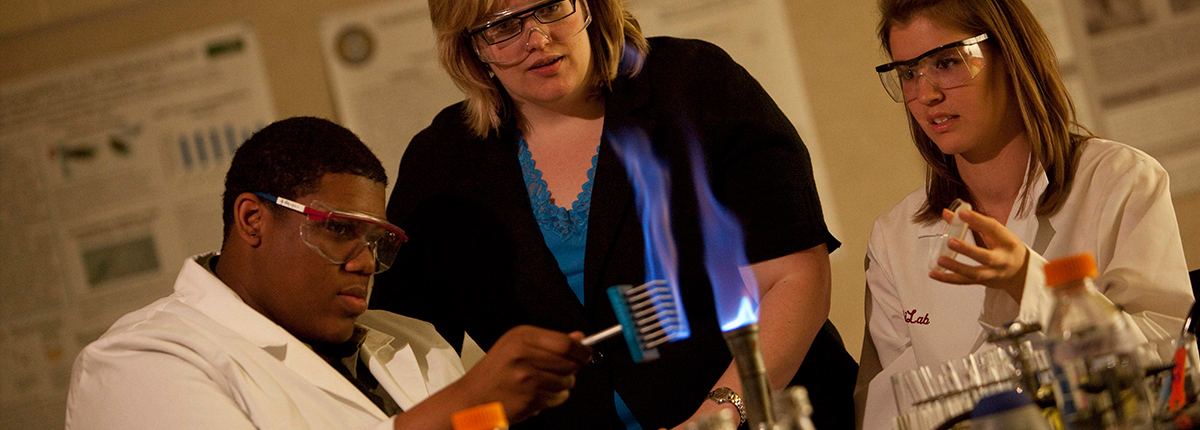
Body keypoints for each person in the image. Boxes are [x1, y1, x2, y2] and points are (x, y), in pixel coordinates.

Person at [368, 0, 857, 429]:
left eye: (550, 6)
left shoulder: (693, 84)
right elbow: (400, 346)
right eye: (502, 26)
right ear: (470, 47)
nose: (537, 39)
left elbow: (794, 276)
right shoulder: (441, 162)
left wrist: (719, 416)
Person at [64, 117, 592, 430]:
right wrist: (457, 410)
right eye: (338, 231)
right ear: (253, 219)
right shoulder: (141, 362)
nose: (365, 264)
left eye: (378, 242)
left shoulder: (416, 343)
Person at [854, 0, 1194, 428]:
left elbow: (1173, 358)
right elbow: (892, 414)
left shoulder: (1120, 182)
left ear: (1010, 57)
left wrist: (1029, 284)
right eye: (908, 73)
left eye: (946, 62)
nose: (926, 95)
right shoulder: (894, 238)